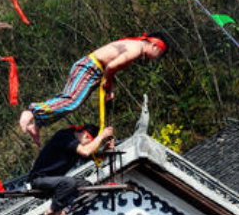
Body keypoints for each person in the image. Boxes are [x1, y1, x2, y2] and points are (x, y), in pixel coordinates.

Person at [19, 34, 167, 144]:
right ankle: (32, 110)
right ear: (154, 46)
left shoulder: (135, 47)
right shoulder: (136, 48)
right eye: (158, 55)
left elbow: (112, 65)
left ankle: (38, 124)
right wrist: (108, 83)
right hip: (90, 68)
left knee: (72, 105)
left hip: (95, 71)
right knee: (71, 101)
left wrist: (109, 87)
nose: (154, 59)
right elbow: (111, 66)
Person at [29, 124, 115, 215]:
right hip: (39, 180)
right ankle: (51, 211)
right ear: (86, 136)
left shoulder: (77, 146)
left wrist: (106, 150)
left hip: (56, 184)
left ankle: (62, 211)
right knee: (69, 183)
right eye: (91, 143)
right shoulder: (65, 136)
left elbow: (97, 158)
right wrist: (101, 136)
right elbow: (85, 152)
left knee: (85, 185)